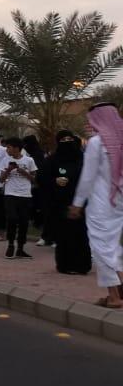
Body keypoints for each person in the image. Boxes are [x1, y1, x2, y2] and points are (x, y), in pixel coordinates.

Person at [69, 104, 123, 306]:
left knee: (101, 247)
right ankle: (115, 293)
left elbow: (88, 176)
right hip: (119, 201)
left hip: (102, 203)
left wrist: (77, 203)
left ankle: (115, 297)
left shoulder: (97, 143)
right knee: (113, 247)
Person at [48, 130, 91, 275]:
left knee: (81, 234)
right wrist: (54, 180)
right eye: (63, 139)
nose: (67, 142)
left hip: (81, 204)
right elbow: (42, 178)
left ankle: (82, 265)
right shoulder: (53, 160)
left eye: (69, 138)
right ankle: (65, 265)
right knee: (63, 235)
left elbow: (89, 178)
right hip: (59, 203)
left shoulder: (83, 159)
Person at [0, 136, 37, 260]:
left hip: (25, 195)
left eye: (9, 147)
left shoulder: (29, 160)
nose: (7, 149)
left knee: (23, 222)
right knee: (11, 218)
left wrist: (23, 172)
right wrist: (8, 171)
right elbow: (1, 179)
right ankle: (10, 244)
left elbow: (34, 179)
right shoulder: (5, 160)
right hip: (10, 194)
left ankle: (20, 248)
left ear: (17, 148)